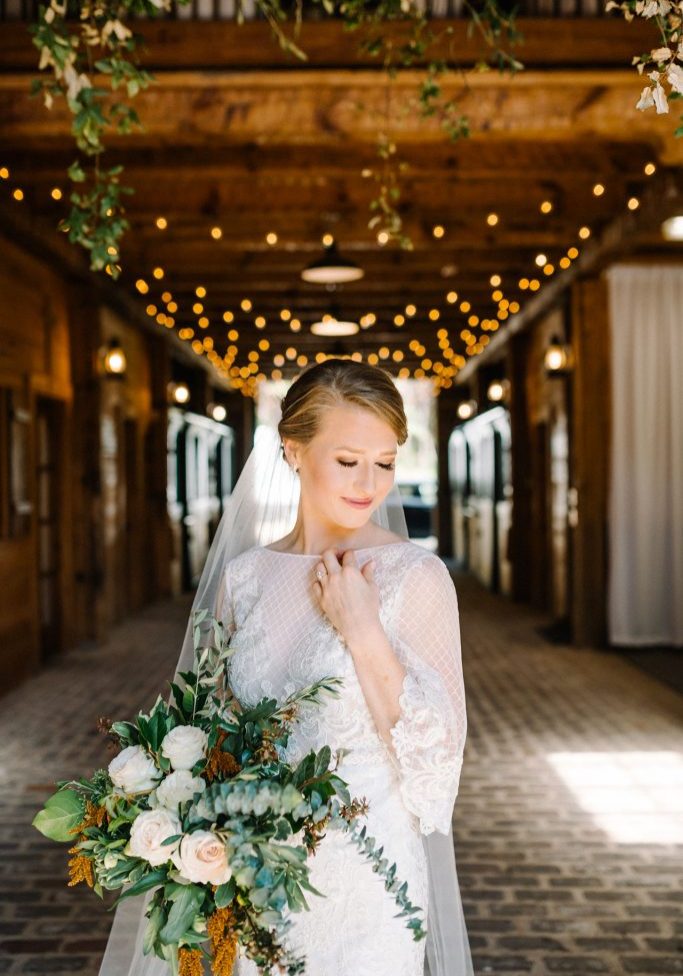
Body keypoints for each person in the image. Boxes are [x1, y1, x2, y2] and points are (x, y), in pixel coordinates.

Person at [98, 359, 472, 976]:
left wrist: (362, 630)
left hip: (367, 885)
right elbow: (206, 735)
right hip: (251, 880)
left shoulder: (417, 576)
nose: (369, 483)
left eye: (385, 462)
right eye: (348, 460)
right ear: (293, 451)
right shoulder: (244, 578)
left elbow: (437, 773)